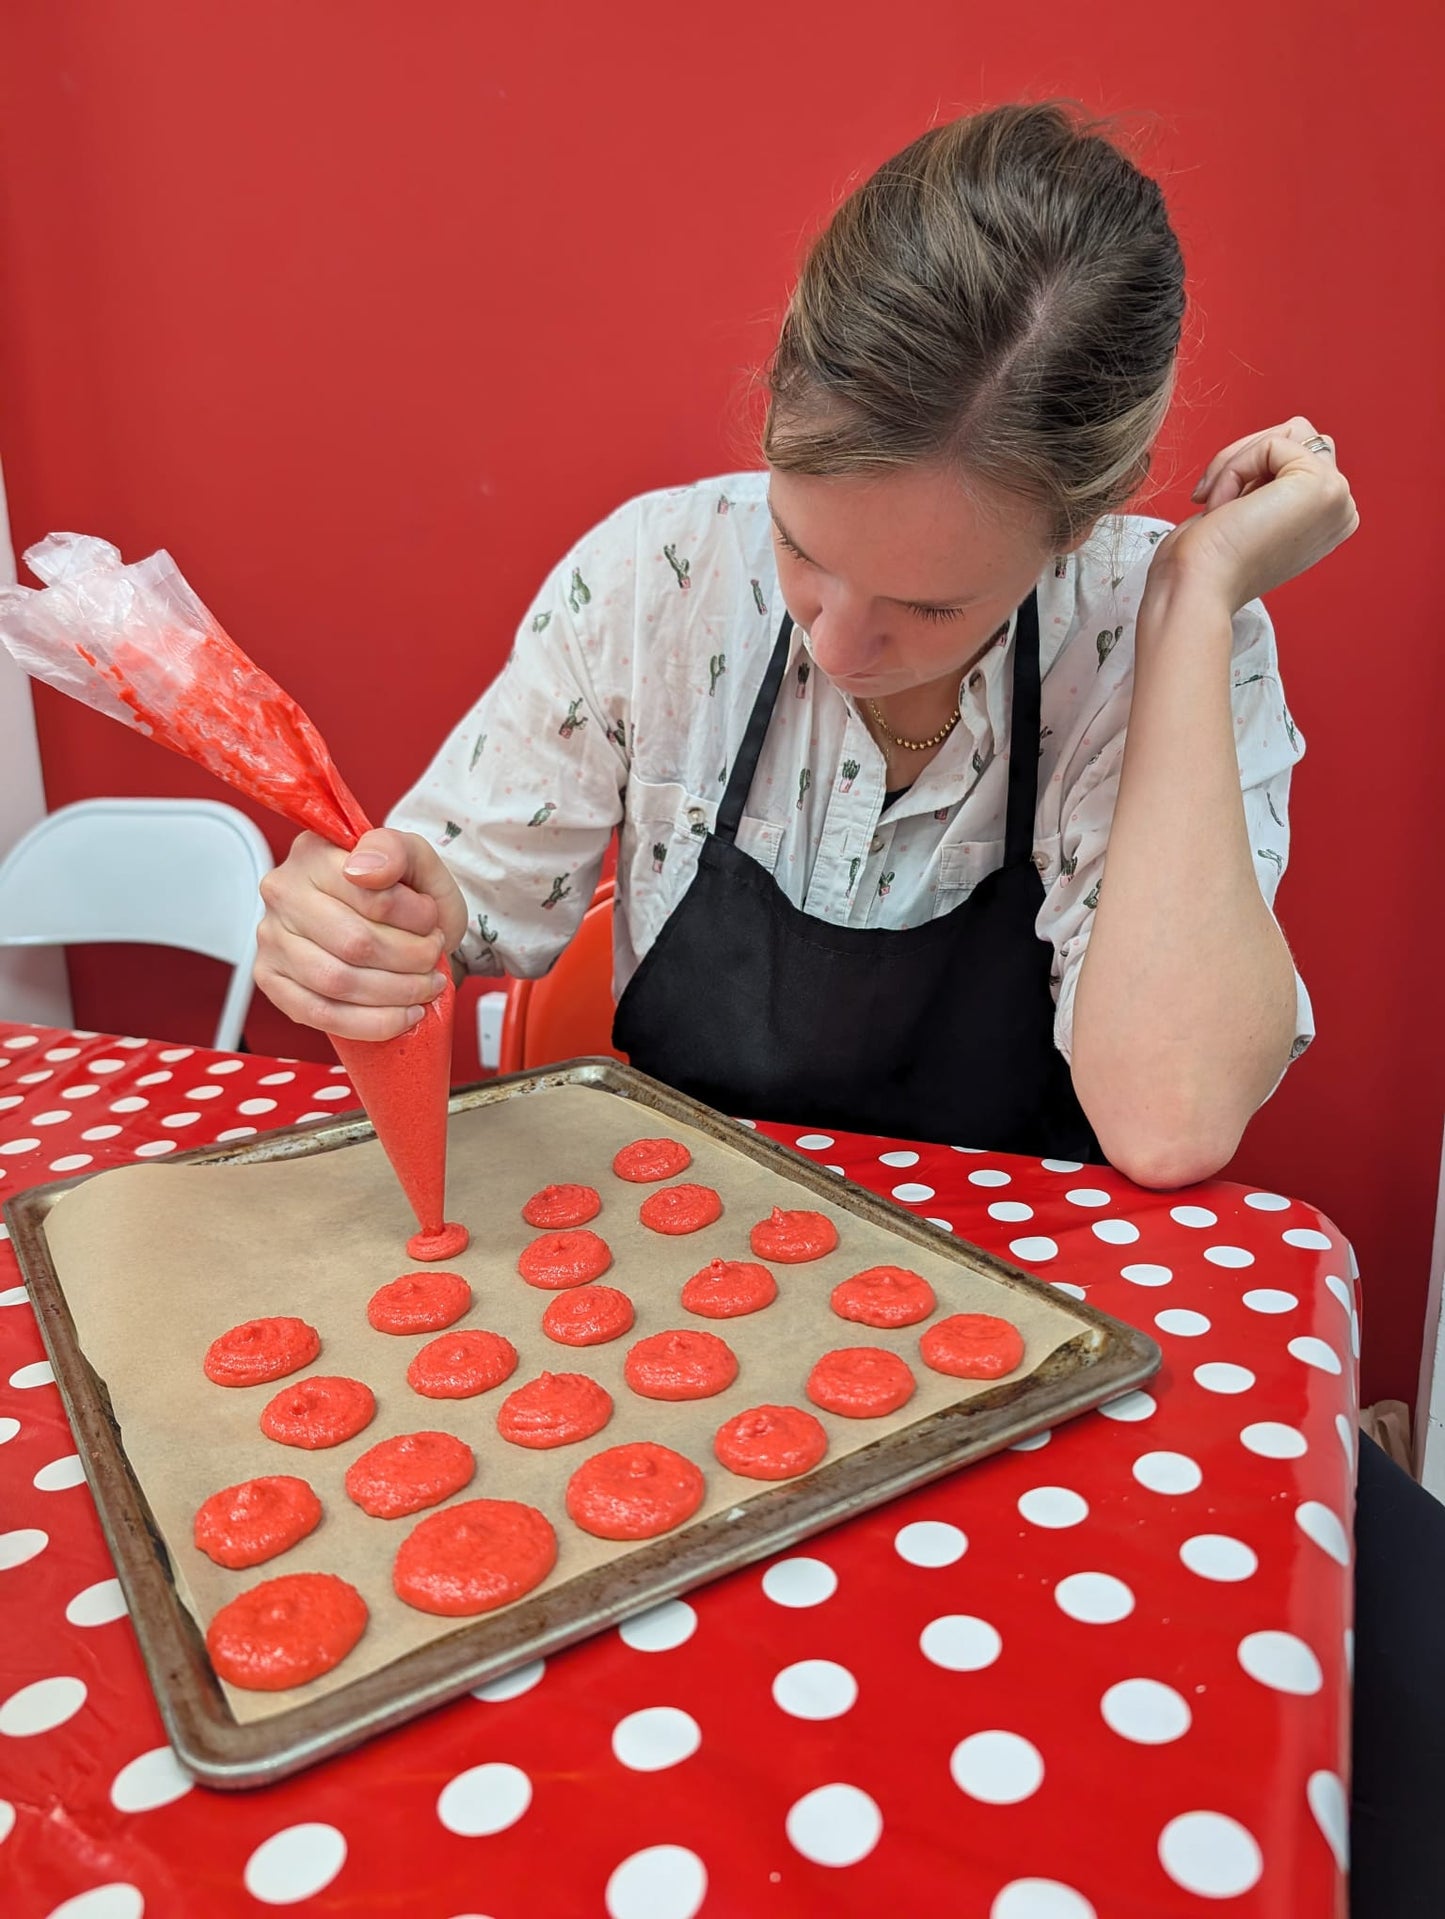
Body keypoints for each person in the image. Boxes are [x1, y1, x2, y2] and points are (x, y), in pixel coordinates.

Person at [254, 104, 1437, 1915]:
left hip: (1027, 1393)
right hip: (657, 1381)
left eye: (927, 599)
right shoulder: (655, 578)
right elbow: (450, 911)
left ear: (1078, 527)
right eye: (806, 545)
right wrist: (361, 936)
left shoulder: (1139, 624)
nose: (828, 637)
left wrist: (1198, 598)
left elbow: (1175, 1115)